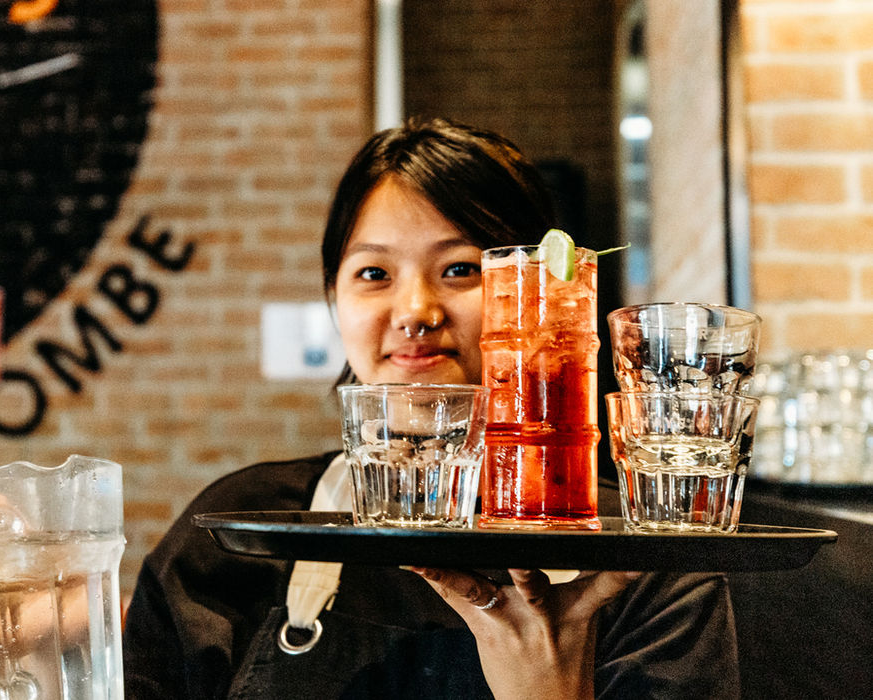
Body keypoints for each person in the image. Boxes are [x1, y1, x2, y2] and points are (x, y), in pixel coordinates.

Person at [121, 118, 738, 699]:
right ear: (333, 296)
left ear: (537, 293)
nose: (415, 310)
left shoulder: (644, 562)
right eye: (372, 273)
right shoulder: (231, 536)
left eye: (461, 268)